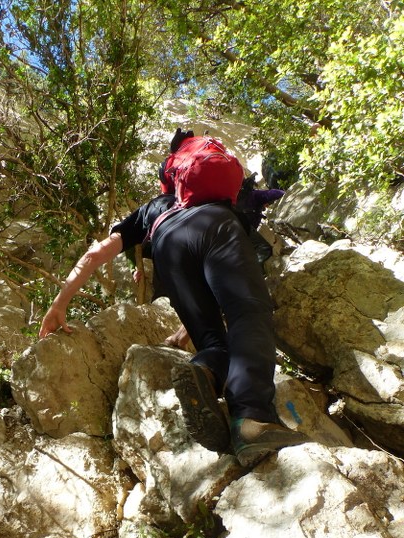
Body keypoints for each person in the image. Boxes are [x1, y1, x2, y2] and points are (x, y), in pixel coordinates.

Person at [39, 132, 307, 467]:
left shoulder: (152, 210)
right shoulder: (211, 200)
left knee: (211, 339)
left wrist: (59, 303)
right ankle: (253, 419)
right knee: (247, 312)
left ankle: (206, 370)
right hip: (216, 225)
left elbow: (95, 255)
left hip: (168, 246)